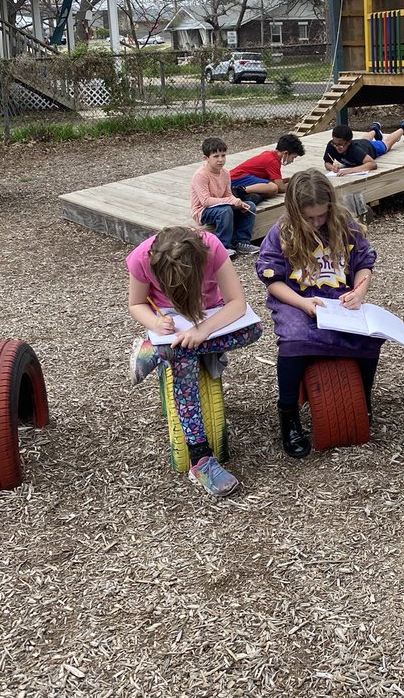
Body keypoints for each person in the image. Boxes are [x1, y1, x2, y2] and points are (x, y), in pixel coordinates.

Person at [127, 225, 263, 497]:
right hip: (171, 321)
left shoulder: (212, 247)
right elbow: (136, 304)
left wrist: (202, 331)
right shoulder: (142, 257)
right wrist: (155, 322)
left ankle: (159, 350)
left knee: (253, 330)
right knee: (184, 368)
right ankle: (200, 459)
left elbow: (237, 303)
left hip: (211, 314)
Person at [256, 169, 380, 458]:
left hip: (339, 300)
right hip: (295, 300)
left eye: (321, 216)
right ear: (295, 211)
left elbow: (364, 263)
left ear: (330, 207)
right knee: (295, 339)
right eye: (308, 217)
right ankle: (288, 414)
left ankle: (362, 400)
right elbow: (272, 280)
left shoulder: (343, 223)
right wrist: (301, 303)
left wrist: (359, 291)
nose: (316, 222)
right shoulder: (282, 232)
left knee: (369, 337)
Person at [189, 136, 259, 255]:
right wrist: (230, 201)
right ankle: (223, 247)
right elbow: (205, 201)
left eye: (223, 155)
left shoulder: (225, 173)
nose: (220, 159)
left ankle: (242, 242)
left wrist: (237, 201)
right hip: (203, 211)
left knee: (250, 205)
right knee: (225, 211)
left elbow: (228, 194)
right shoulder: (201, 175)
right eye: (216, 156)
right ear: (206, 158)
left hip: (222, 205)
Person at [230, 133, 306, 202]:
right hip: (236, 178)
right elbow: (280, 187)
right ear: (286, 153)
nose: (292, 161)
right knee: (273, 188)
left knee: (269, 189)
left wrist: (289, 180)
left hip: (239, 178)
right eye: (293, 157)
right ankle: (239, 191)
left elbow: (276, 181)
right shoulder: (272, 161)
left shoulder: (270, 155)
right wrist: (295, 187)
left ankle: (249, 195)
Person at [323, 120, 404, 177]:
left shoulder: (354, 150)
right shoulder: (332, 145)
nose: (337, 147)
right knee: (363, 140)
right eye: (335, 144)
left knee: (386, 144)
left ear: (349, 142)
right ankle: (375, 130)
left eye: (340, 145)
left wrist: (349, 171)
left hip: (370, 148)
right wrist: (332, 168)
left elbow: (372, 164)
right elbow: (327, 162)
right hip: (361, 143)